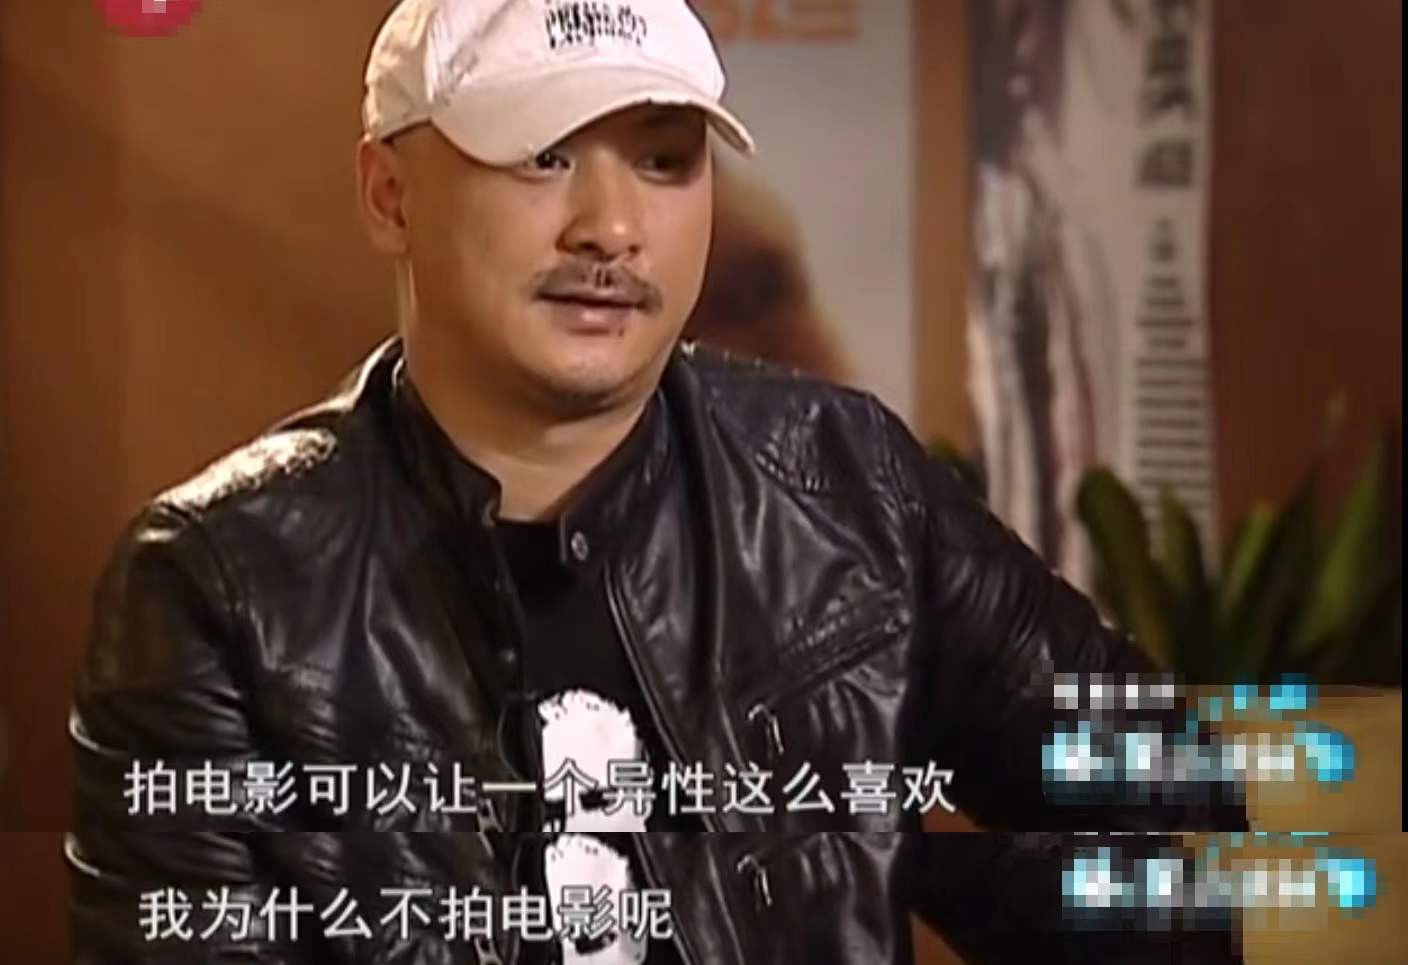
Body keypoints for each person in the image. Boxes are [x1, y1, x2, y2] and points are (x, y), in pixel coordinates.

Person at [67, 1, 1245, 963]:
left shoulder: (848, 486)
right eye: (544, 155)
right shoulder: (217, 584)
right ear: (389, 193)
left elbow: (1188, 793)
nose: (612, 226)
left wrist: (943, 876)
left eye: (663, 160)